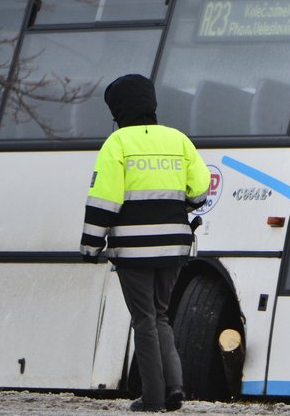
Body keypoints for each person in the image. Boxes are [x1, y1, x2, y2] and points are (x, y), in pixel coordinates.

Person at [79, 74, 210, 412]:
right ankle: (175, 387)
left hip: (134, 251)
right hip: (173, 246)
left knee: (144, 319)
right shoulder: (178, 140)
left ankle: (153, 396)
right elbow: (199, 191)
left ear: (119, 110)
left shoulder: (118, 144)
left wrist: (90, 247)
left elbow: (103, 202)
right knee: (161, 315)